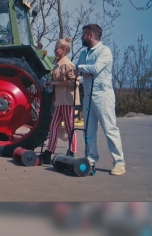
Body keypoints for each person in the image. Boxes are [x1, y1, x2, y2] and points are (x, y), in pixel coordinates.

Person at [73, 24, 125, 176]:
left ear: (90, 35)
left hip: (103, 95)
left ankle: (119, 162)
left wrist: (83, 69)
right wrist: (83, 70)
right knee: (88, 130)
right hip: (87, 96)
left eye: (83, 35)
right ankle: (90, 159)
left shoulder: (105, 51)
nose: (81, 38)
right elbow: (77, 70)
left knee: (110, 129)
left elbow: (95, 69)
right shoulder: (84, 53)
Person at [40, 37, 79, 164]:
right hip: (60, 100)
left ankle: (72, 151)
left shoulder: (67, 64)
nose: (55, 50)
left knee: (69, 126)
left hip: (67, 100)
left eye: (57, 48)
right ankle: (48, 152)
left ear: (63, 50)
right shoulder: (58, 63)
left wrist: (55, 83)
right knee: (53, 126)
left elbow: (74, 82)